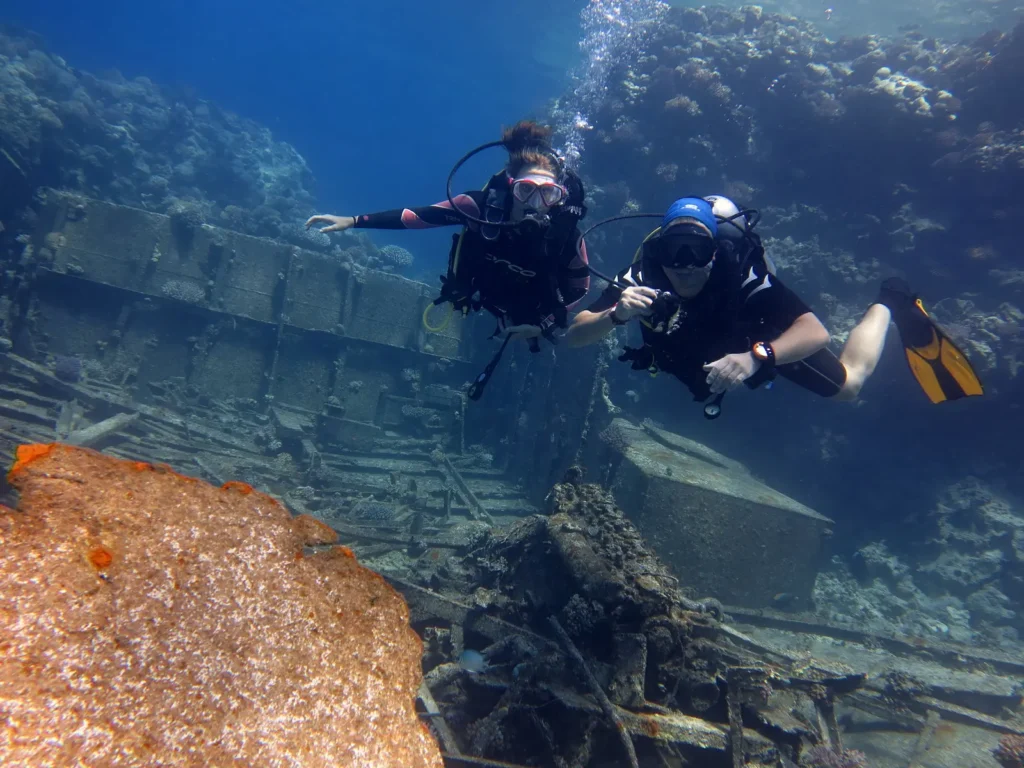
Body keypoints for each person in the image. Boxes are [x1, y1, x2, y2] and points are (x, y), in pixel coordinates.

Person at [566, 196, 982, 417]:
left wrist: (757, 357)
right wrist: (616, 314)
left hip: (757, 340)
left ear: (716, 252)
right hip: (695, 358)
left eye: (698, 251)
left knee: (849, 387)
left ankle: (889, 300)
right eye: (676, 250)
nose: (686, 265)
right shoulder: (639, 277)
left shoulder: (741, 275)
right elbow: (576, 334)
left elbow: (816, 331)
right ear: (660, 250)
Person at [305, 121, 590, 347]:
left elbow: (580, 288)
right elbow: (418, 217)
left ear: (559, 199)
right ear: (511, 186)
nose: (534, 203)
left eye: (548, 194)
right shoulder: (479, 207)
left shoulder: (567, 237)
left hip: (529, 310)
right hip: (478, 293)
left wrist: (542, 325)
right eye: (525, 189)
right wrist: (353, 221)